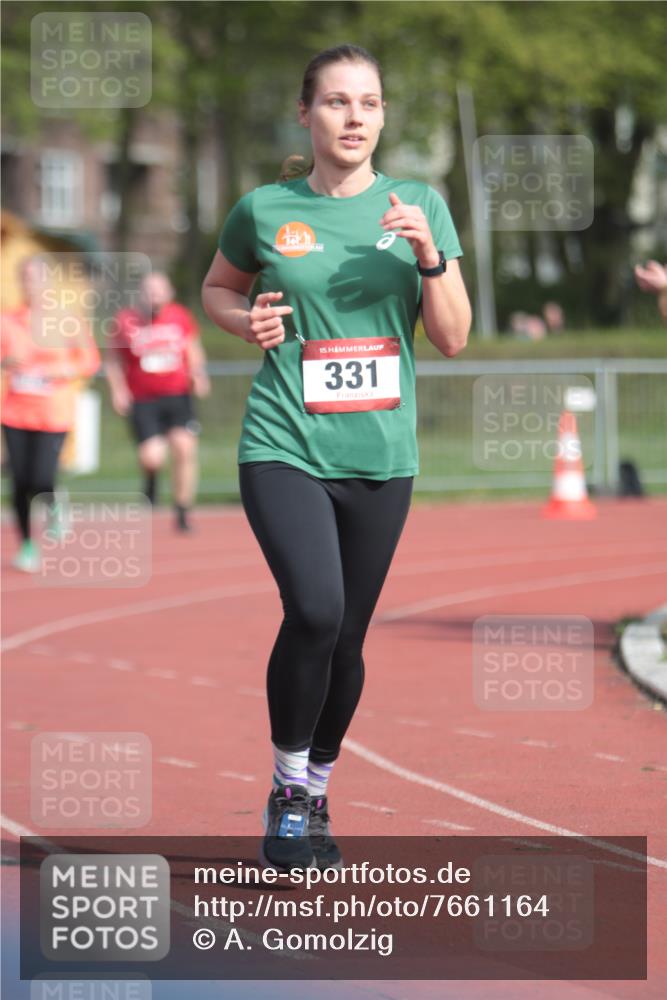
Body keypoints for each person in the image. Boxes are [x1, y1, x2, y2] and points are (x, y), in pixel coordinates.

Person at [202, 44, 471, 871]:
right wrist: (244, 322)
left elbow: (454, 337)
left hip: (380, 455)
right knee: (314, 610)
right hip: (282, 442)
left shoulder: (416, 203)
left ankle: (317, 789)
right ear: (305, 114)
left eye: (370, 103)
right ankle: (286, 790)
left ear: (382, 116)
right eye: (337, 102)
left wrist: (428, 253)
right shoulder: (263, 208)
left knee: (348, 639)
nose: (355, 117)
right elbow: (217, 289)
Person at [1, 256, 100, 572]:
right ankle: (27, 545)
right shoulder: (8, 320)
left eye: (37, 277)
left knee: (41, 477)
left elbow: (89, 361)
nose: (31, 283)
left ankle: (55, 503)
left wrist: (61, 369)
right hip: (15, 411)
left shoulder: (66, 319)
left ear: (47, 281)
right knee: (19, 481)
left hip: (54, 412)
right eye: (26, 277)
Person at [106, 271, 210, 532]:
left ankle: (183, 511)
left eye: (158, 290)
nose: (153, 295)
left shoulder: (180, 316)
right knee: (152, 458)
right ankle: (151, 481)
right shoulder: (125, 320)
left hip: (177, 394)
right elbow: (112, 360)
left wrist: (199, 374)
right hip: (143, 398)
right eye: (148, 290)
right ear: (140, 294)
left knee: (184, 449)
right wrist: (118, 390)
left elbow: (193, 349)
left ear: (169, 292)